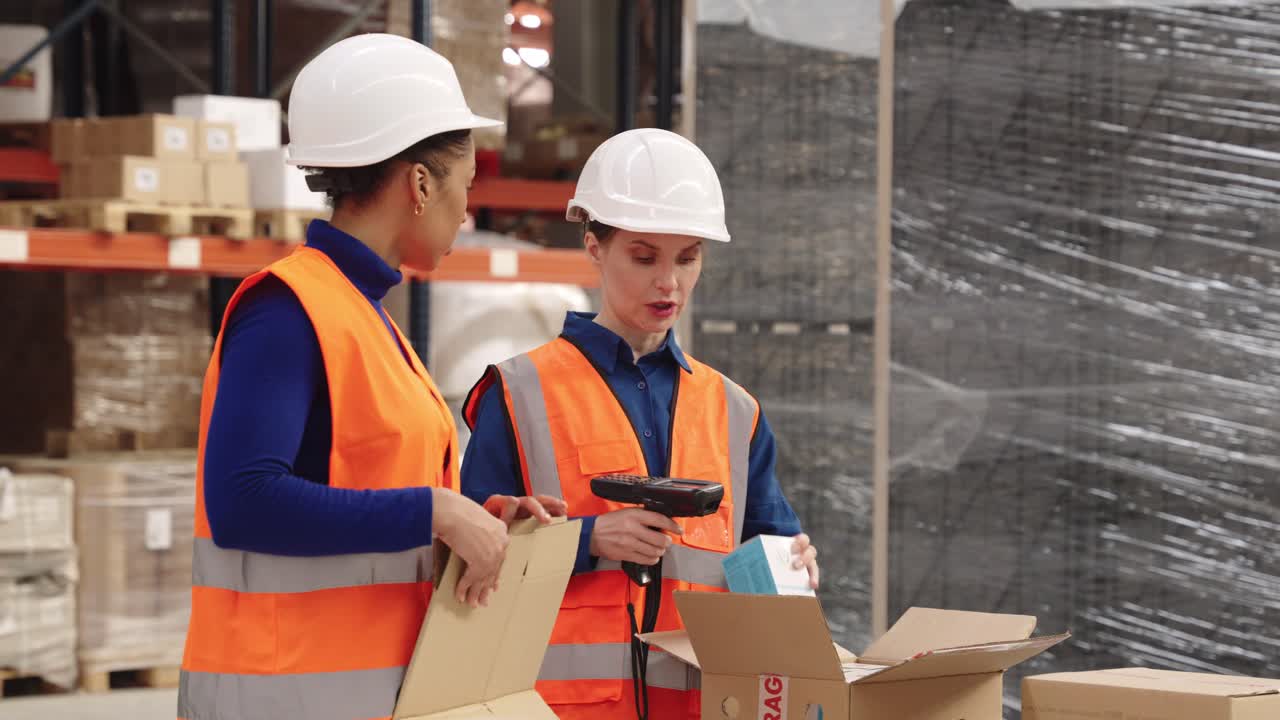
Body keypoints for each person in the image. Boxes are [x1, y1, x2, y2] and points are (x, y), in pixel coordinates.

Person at [177, 34, 563, 720]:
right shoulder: (287, 312)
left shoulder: (361, 316)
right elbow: (244, 501)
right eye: (466, 187)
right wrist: (435, 512)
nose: (467, 211)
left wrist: (470, 518)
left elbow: (367, 494)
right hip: (281, 699)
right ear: (419, 184)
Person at [460, 128, 820, 720]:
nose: (668, 282)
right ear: (595, 247)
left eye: (688, 258)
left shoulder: (735, 410)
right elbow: (469, 557)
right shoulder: (519, 393)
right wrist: (586, 539)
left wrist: (796, 565)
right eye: (644, 256)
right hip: (558, 709)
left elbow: (767, 549)